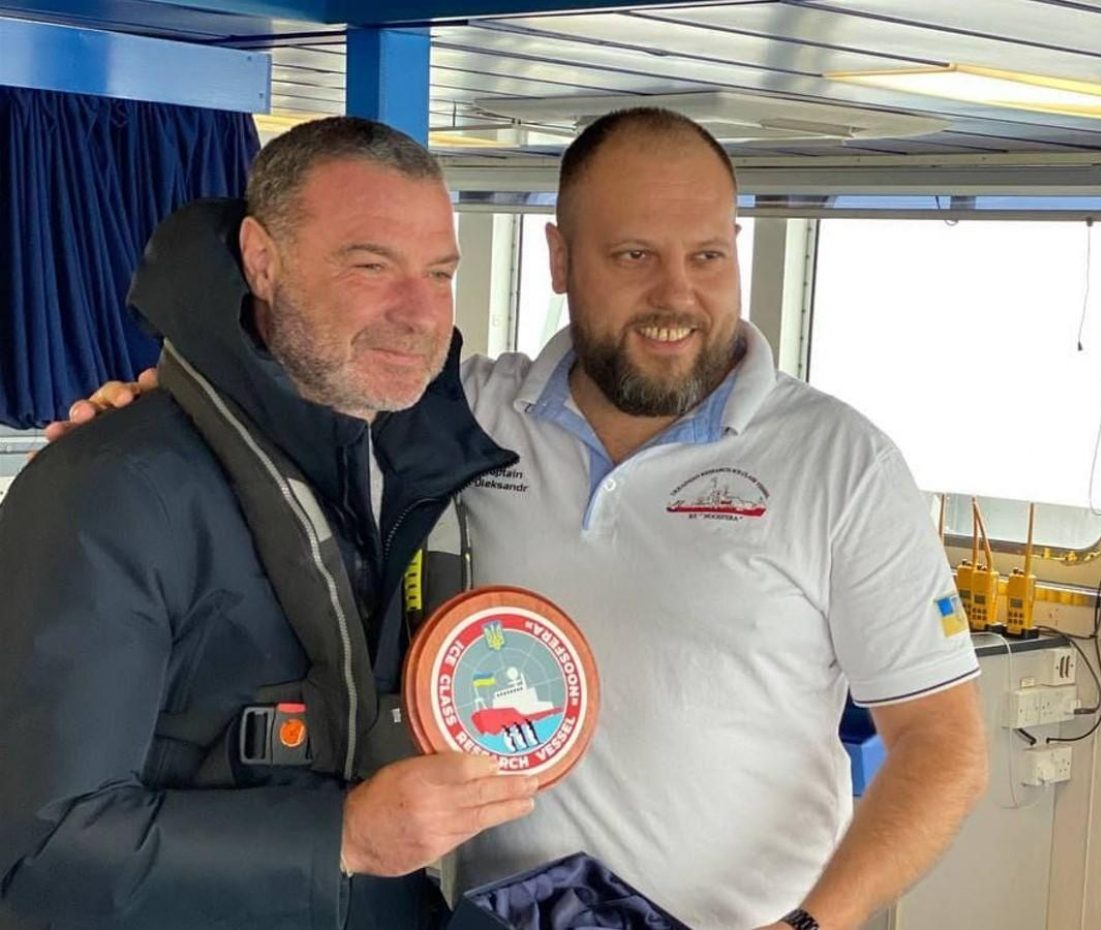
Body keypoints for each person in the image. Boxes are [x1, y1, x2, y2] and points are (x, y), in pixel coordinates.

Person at [46, 109, 988, 930]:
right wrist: (162, 409)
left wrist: (812, 924)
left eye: (708, 255)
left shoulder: (842, 464)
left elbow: (944, 745)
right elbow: (298, 383)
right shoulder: (462, 416)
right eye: (634, 256)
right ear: (560, 260)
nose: (676, 295)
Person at [0, 117, 538, 930]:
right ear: (262, 260)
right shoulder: (111, 487)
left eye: (439, 272)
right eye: (371, 265)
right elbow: (36, 855)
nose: (420, 313)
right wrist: (342, 837)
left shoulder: (404, 466)